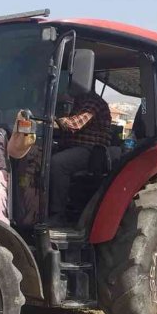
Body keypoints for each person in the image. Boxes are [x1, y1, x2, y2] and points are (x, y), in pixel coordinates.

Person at [48, 88, 111, 224]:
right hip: (73, 147)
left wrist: (49, 119)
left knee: (58, 163)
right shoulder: (77, 102)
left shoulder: (93, 102)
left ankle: (58, 214)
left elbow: (75, 124)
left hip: (91, 151)